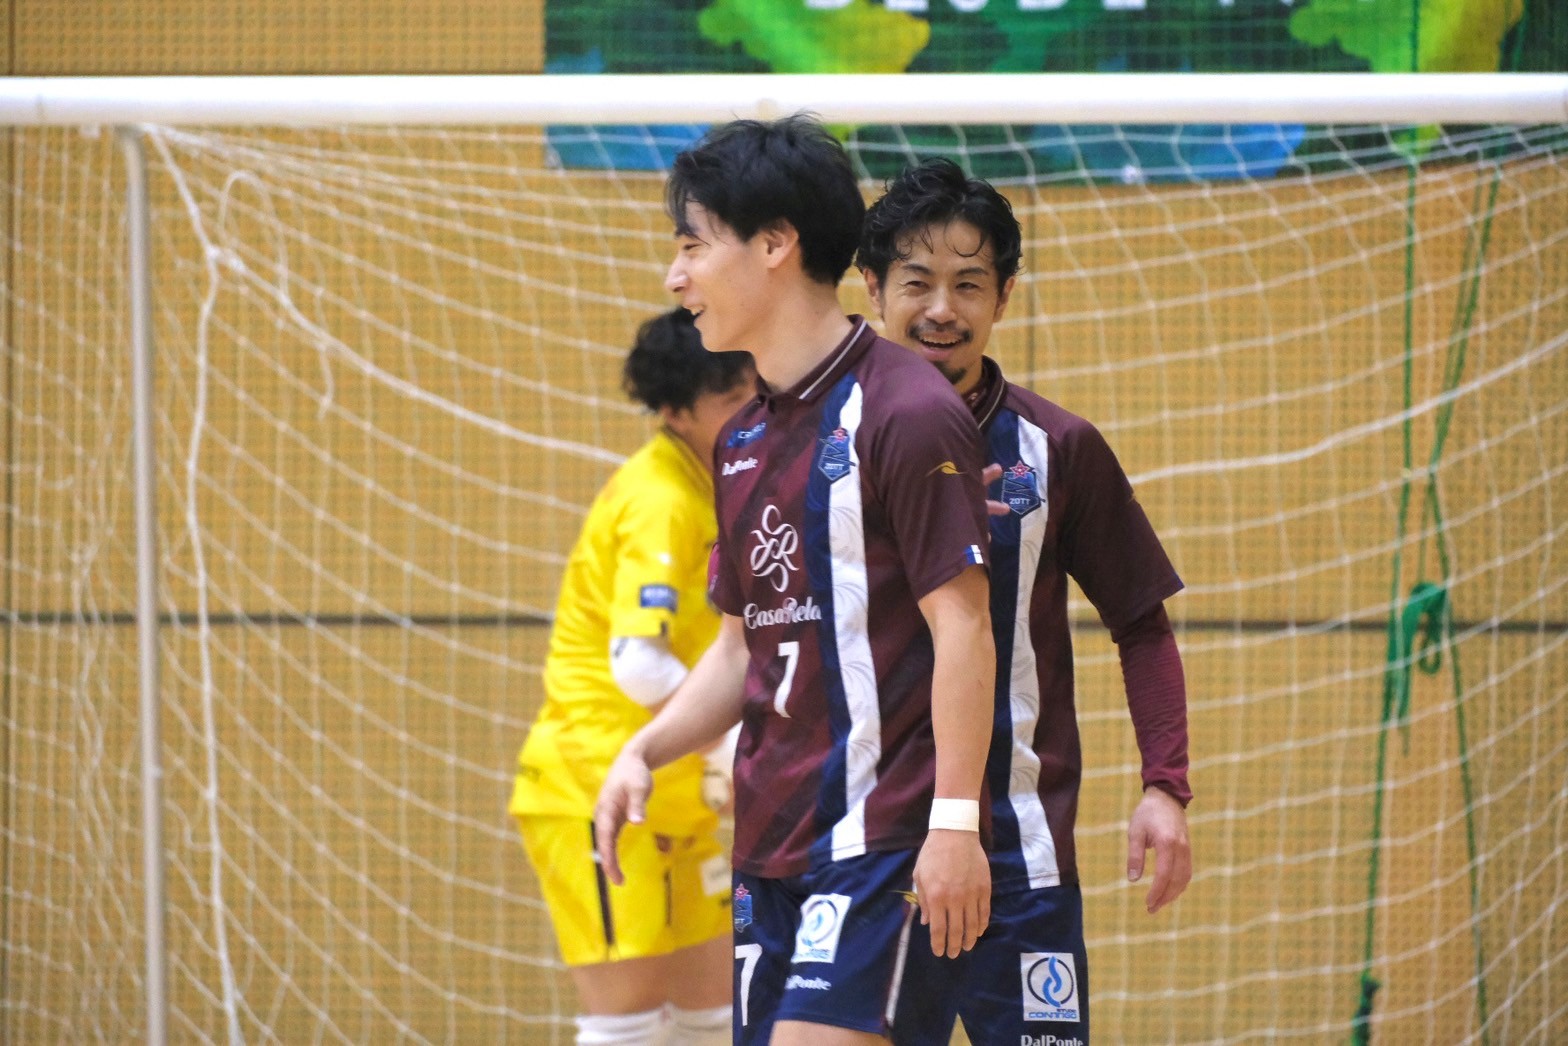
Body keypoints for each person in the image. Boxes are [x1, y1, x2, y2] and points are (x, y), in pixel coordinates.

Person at [592, 115, 998, 1046]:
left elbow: (964, 629)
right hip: (767, 851)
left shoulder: (906, 410)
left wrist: (953, 824)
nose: (675, 276)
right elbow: (742, 651)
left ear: (776, 243)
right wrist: (645, 750)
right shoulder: (739, 440)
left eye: (693, 244)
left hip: (880, 843)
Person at [858, 157, 1194, 1044]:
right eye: (917, 282)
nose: (942, 309)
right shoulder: (821, 446)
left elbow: (1141, 623)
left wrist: (1165, 786)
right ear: (872, 289)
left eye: (969, 284)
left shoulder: (1059, 448)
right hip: (865, 858)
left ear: (1004, 297)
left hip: (1019, 861)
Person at [509, 307, 755, 1046]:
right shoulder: (660, 498)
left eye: (756, 390)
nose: (754, 410)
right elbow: (638, 662)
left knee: (713, 1013)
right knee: (631, 1023)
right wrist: (728, 744)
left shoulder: (723, 482)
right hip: (598, 785)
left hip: (679, 793)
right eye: (732, 399)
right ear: (676, 412)